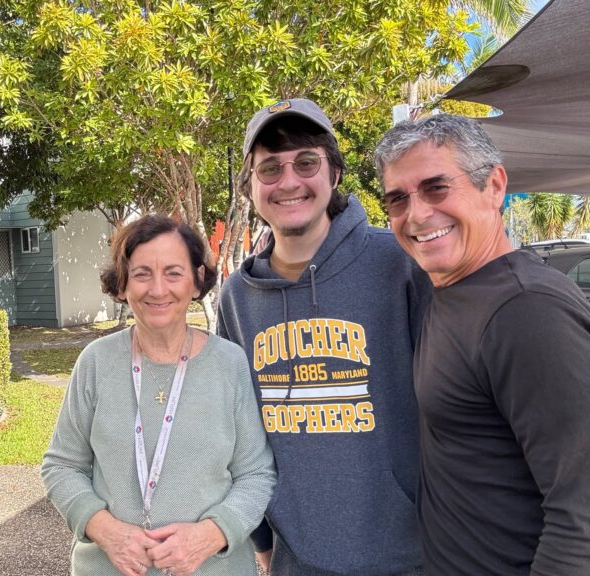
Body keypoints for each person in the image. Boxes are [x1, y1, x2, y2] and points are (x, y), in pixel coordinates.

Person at [373, 114, 590, 574]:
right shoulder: (451, 289)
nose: (416, 214)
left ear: (494, 186)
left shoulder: (530, 312)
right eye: (397, 199)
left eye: (436, 188)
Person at [217, 98, 431, 575]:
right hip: (296, 558)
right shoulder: (237, 298)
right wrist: (262, 539)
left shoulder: (398, 263)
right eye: (269, 168)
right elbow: (241, 435)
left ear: (333, 173)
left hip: (407, 555)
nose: (289, 181)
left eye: (306, 162)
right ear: (250, 187)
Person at [42, 215, 276, 576]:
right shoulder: (96, 362)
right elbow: (62, 466)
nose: (158, 289)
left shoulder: (229, 363)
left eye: (173, 272)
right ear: (122, 285)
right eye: (141, 274)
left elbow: (257, 474)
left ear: (197, 282)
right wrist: (105, 531)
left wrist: (211, 534)